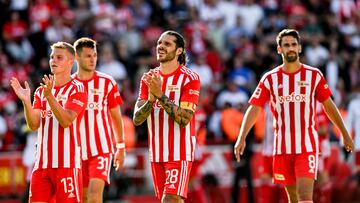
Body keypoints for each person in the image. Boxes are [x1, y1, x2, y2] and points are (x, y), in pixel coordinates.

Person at [233, 29, 354, 203]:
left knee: (305, 197)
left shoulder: (314, 75)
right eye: (286, 45)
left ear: (299, 48)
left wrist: (344, 133)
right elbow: (254, 109)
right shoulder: (270, 78)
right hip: (282, 148)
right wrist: (241, 137)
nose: (290, 48)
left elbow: (329, 106)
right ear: (279, 49)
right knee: (293, 199)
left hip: (306, 146)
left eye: (293, 44)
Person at [10, 41, 88, 202]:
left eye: (59, 57)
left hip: (67, 164)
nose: (53, 61)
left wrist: (50, 97)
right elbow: (33, 125)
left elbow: (66, 121)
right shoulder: (41, 91)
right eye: (52, 57)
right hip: (42, 164)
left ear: (70, 62)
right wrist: (26, 101)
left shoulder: (77, 89)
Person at [133, 30, 200, 203]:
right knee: (174, 200)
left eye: (167, 44)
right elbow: (137, 119)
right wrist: (151, 100)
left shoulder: (189, 78)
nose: (161, 46)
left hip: (179, 151)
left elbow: (184, 119)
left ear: (179, 51)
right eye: (159, 43)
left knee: (169, 199)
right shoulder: (148, 78)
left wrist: (161, 96)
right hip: (156, 152)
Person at [72, 37, 126, 203]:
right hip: (76, 150)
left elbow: (116, 116)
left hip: (101, 148)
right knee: (82, 197)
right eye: (88, 56)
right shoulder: (68, 85)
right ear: (77, 57)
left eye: (94, 55)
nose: (92, 59)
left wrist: (120, 146)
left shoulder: (107, 82)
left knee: (95, 196)